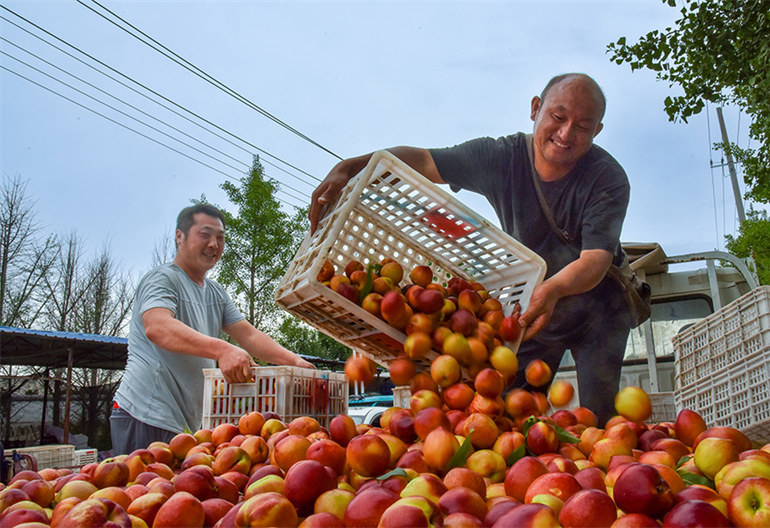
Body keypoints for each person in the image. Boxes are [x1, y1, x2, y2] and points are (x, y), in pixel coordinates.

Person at [310, 73, 631, 424]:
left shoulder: (607, 178)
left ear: (597, 131)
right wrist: (349, 168)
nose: (567, 134)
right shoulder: (500, 158)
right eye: (558, 117)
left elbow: (595, 260)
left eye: (583, 126)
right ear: (535, 109)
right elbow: (423, 160)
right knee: (510, 415)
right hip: (536, 310)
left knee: (600, 422)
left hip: (599, 309)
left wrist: (553, 288)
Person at [112, 204, 315, 454]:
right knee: (143, 489)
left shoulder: (215, 293)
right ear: (180, 236)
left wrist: (295, 361)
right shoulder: (163, 279)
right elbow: (158, 327)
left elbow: (248, 334)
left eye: (220, 238)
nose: (214, 244)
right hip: (145, 413)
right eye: (205, 235)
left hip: (184, 423)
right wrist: (222, 350)